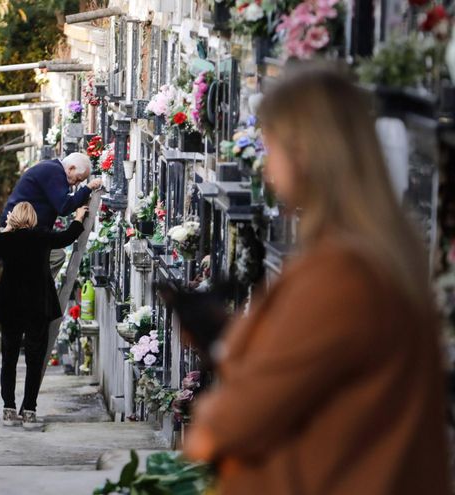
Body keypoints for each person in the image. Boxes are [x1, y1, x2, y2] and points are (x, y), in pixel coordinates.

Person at [184, 67, 450, 494]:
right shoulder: (382, 259)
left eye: (272, 149)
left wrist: (231, 356)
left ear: (305, 152)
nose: (267, 169)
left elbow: (232, 423)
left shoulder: (341, 275)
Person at [0, 202, 88, 428]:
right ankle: (30, 411)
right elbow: (67, 237)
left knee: (9, 359)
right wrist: (79, 217)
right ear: (32, 218)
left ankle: (8, 409)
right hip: (37, 305)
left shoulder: (6, 240)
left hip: (11, 306)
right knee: (34, 359)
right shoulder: (41, 236)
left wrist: (4, 231)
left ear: (13, 218)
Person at [0, 153, 102, 276]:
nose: (76, 184)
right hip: (17, 230)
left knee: (52, 257)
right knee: (55, 257)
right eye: (78, 179)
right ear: (71, 168)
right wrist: (88, 188)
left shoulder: (52, 169)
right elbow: (64, 207)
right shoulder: (54, 172)